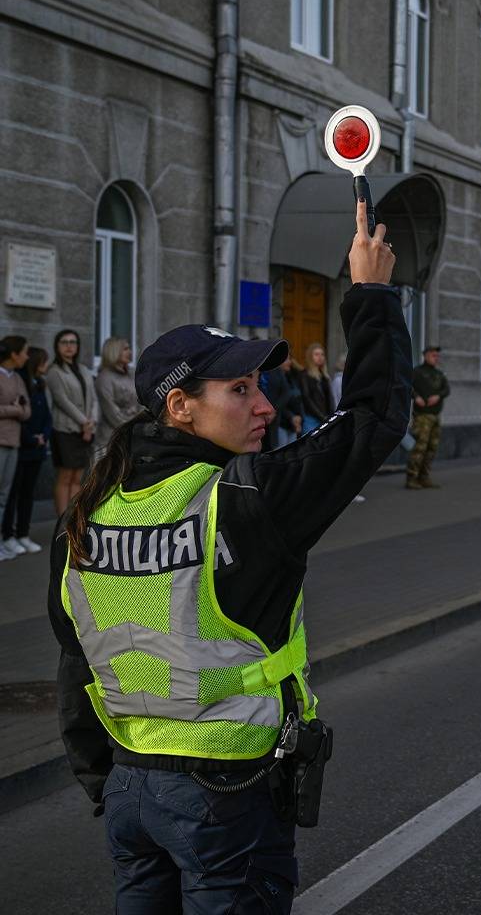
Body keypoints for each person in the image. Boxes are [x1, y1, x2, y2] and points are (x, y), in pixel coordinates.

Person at [47, 198, 408, 912]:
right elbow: (374, 418)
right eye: (239, 390)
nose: (264, 406)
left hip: (130, 790)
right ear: (180, 408)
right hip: (226, 793)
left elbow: (75, 663)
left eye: (263, 387)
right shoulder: (245, 500)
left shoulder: (84, 514)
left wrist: (106, 781)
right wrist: (369, 294)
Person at [1, 345, 52, 556]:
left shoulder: (37, 383)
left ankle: (22, 534)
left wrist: (44, 435)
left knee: (26, 494)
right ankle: (8, 535)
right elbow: (22, 413)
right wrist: (30, 437)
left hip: (36, 445)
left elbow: (34, 412)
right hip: (21, 443)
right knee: (11, 494)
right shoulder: (17, 378)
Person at [45, 328, 99, 514]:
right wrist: (85, 422)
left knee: (78, 477)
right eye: (64, 342)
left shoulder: (83, 369)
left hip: (86, 429)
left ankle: (72, 519)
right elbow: (62, 401)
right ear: (57, 346)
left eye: (73, 342)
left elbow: (93, 398)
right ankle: (61, 522)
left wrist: (92, 421)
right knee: (65, 476)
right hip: (65, 430)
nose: (69, 346)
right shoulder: (54, 371)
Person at [0, 336, 32, 560]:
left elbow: (26, 409)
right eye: (24, 352)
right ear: (14, 354)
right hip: (1, 441)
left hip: (14, 441)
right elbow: (18, 408)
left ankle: (2, 540)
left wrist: (16, 409)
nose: (27, 356)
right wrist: (15, 410)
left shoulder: (18, 378)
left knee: (4, 495)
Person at [406, 345, 450, 490]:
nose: (435, 358)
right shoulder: (417, 372)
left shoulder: (439, 374)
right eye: (433, 355)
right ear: (425, 355)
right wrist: (416, 397)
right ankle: (412, 478)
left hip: (435, 415)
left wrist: (439, 396)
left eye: (437, 356)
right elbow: (407, 386)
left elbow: (446, 389)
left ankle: (424, 477)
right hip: (422, 416)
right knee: (420, 447)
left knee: (432, 448)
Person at [95, 337, 142, 453]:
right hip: (111, 440)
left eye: (129, 348)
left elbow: (142, 398)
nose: (130, 352)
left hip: (134, 435)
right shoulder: (104, 378)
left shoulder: (132, 373)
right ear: (114, 351)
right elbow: (112, 413)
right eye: (125, 349)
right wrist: (136, 427)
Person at [260, 358, 302, 452]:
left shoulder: (278, 372)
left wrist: (273, 410)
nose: (289, 362)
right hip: (274, 421)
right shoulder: (258, 371)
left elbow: (287, 393)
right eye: (286, 359)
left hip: (277, 420)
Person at [298, 343, 333, 435]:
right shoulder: (304, 375)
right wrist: (321, 416)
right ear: (310, 357)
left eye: (322, 354)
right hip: (311, 419)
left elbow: (329, 398)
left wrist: (331, 416)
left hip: (325, 418)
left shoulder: (324, 376)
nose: (320, 357)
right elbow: (306, 398)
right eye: (316, 354)